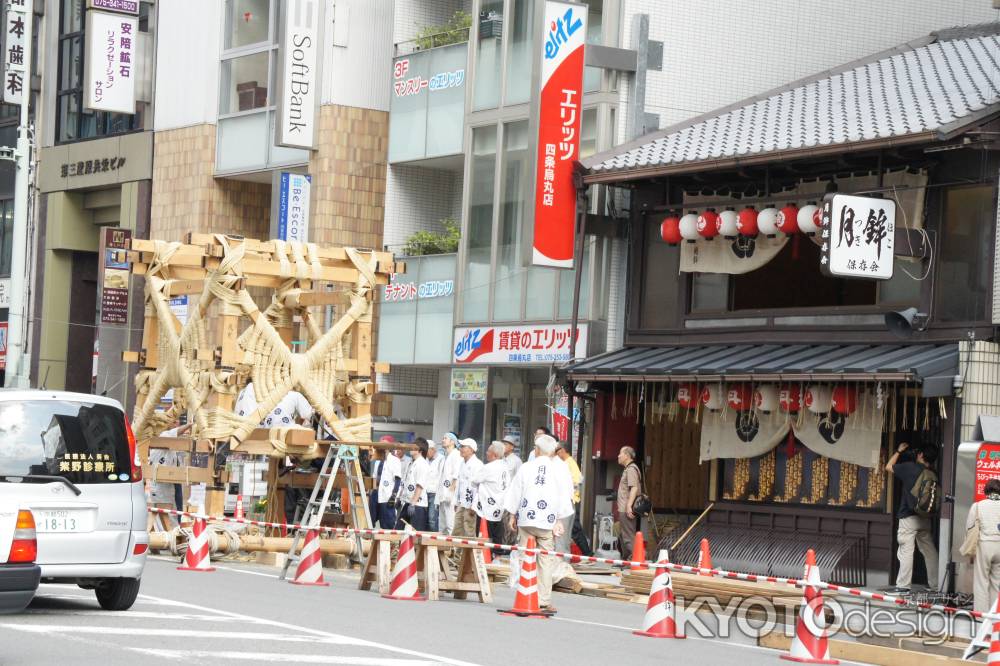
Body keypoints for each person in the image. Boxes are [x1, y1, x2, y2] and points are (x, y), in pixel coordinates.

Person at [504, 433, 574, 614]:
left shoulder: (527, 467)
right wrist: (560, 519)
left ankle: (524, 594)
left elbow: (515, 491)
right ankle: (543, 600)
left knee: (525, 556)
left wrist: (512, 514)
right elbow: (564, 494)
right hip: (547, 520)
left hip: (526, 518)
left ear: (537, 450)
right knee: (545, 560)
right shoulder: (559, 469)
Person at [885, 442, 939, 592]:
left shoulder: (910, 467)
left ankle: (903, 586)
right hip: (925, 517)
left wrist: (898, 451)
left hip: (908, 517)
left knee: (906, 551)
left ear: (921, 455)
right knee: (929, 551)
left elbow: (888, 467)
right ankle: (935, 585)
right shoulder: (933, 473)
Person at [967, 478, 1000, 611]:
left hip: (984, 545)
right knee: (996, 583)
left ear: (986, 490)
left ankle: (981, 617)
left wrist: (970, 551)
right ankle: (994, 617)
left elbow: (969, 528)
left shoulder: (978, 506)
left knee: (981, 582)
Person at [555, 442, 593, 557]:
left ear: (562, 450)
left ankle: (587, 554)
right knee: (571, 530)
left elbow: (577, 481)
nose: (556, 453)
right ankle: (585, 554)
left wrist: (570, 493)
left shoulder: (569, 463)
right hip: (567, 500)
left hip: (570, 500)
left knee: (575, 529)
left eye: (557, 450)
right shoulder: (565, 463)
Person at [474, 441, 510, 556]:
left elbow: (475, 480)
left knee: (484, 534)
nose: (486, 453)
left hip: (487, 507)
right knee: (497, 534)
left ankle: (484, 558)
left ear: (494, 455)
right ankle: (497, 557)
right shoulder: (505, 467)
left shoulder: (489, 467)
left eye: (488, 451)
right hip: (500, 505)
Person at [453, 438, 483, 538]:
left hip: (471, 504)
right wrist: (456, 502)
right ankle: (455, 552)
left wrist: (474, 505)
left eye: (463, 447)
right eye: (460, 447)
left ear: (471, 449)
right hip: (462, 502)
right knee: (457, 529)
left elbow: (480, 488)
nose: (460, 449)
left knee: (469, 530)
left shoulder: (478, 464)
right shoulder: (462, 463)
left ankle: (469, 553)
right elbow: (459, 484)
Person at [617, 446, 642, 561]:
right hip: (623, 508)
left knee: (628, 537)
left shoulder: (631, 469)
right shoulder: (628, 469)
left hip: (627, 508)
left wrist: (628, 506)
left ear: (627, 455)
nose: (618, 456)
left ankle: (639, 559)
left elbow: (634, 488)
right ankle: (627, 559)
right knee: (623, 536)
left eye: (620, 453)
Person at [400, 438, 430, 531]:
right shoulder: (412, 462)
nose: (411, 449)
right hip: (408, 502)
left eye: (413, 447)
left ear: (420, 450)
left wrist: (413, 503)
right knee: (399, 530)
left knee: (415, 535)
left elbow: (419, 486)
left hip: (417, 505)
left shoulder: (422, 464)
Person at [437, 432, 462, 534]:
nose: (443, 440)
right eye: (443, 438)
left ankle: (453, 548)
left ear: (452, 441)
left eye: (445, 438)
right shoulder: (444, 456)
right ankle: (442, 547)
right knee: (442, 524)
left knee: (450, 523)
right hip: (442, 493)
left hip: (451, 495)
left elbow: (456, 475)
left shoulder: (457, 455)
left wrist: (451, 493)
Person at [376, 447, 404, 530]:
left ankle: (392, 542)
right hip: (381, 497)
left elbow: (398, 479)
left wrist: (394, 495)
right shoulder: (382, 461)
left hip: (389, 497)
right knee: (382, 525)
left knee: (389, 524)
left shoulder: (395, 460)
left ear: (386, 448)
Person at [425, 440, 442, 532]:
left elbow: (441, 477)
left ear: (432, 450)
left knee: (432, 519)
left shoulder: (441, 459)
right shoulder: (425, 459)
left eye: (426, 450)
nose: (425, 453)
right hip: (424, 492)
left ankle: (433, 542)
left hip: (434, 493)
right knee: (425, 519)